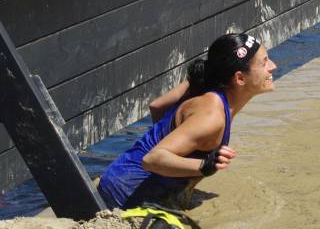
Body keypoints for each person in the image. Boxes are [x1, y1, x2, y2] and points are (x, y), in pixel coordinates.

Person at [98, 33, 277, 210]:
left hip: (116, 180)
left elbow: (157, 106)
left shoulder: (205, 81)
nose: (273, 66)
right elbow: (152, 159)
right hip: (124, 198)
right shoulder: (211, 117)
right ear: (240, 78)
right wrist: (204, 166)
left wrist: (176, 138)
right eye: (264, 62)